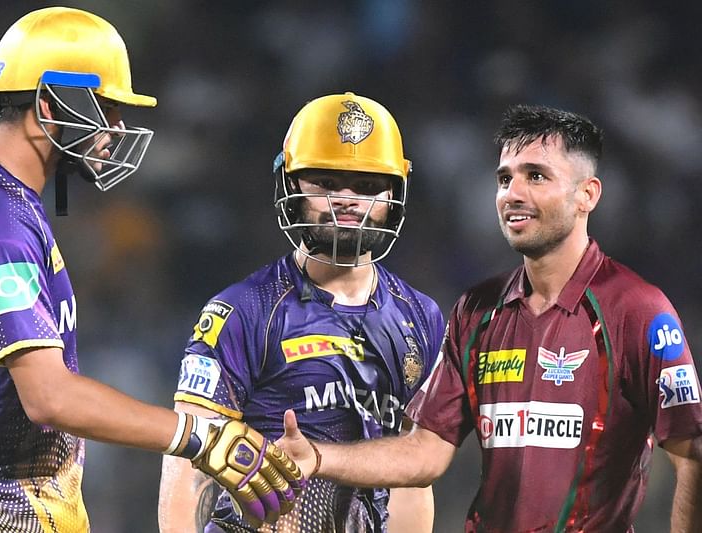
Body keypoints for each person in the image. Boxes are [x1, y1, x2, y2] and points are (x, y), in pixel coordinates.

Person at [0, 7, 302, 532]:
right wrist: (198, 437)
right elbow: (48, 396)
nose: (115, 129)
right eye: (105, 108)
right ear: (49, 103)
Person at [277, 104, 702, 532]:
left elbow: (691, 455)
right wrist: (318, 457)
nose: (513, 194)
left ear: (587, 195)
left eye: (536, 176)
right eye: (505, 178)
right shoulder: (476, 310)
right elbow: (425, 451)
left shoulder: (637, 310)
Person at [158, 92, 446, 532]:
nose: (347, 200)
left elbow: (411, 478)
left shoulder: (422, 318)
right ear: (291, 187)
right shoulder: (243, 310)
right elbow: (190, 460)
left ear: (395, 193)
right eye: (327, 183)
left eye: (368, 186)